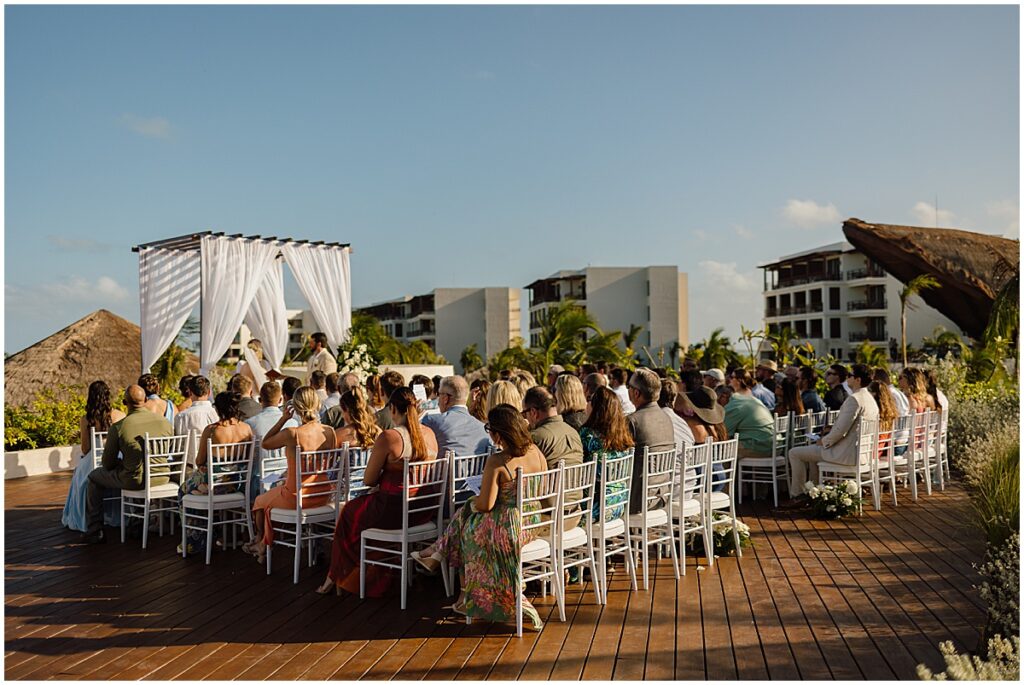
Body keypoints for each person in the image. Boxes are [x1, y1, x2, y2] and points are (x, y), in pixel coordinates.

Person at [409, 404, 547, 630]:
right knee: (467, 521)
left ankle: (438, 557)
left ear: (499, 434)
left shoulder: (499, 461)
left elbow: (485, 505)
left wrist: (473, 501)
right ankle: (440, 563)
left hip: (509, 525)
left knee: (467, 527)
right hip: (532, 520)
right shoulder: (535, 451)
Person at [317, 387, 439, 596]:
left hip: (392, 510)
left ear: (392, 408)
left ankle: (338, 577)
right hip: (423, 510)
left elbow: (369, 479)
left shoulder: (390, 437)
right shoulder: (429, 433)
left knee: (347, 516)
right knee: (358, 517)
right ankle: (372, 573)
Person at [245, 387, 337, 562]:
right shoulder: (329, 432)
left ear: (294, 406)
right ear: (317, 404)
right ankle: (263, 544)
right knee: (272, 498)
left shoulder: (292, 433)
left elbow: (266, 443)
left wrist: (283, 419)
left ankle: (261, 542)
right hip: (323, 494)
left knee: (259, 502)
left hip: (296, 497)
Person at [82, 385, 174, 543]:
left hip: (135, 480)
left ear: (125, 402)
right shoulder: (165, 422)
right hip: (162, 476)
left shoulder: (119, 427)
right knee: (133, 467)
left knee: (93, 478)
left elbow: (107, 463)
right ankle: (136, 522)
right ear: (145, 400)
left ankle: (94, 530)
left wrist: (122, 462)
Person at [782, 364, 880, 506]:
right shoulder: (870, 399)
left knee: (794, 453)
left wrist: (824, 440)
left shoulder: (855, 399)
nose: (847, 378)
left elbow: (841, 431)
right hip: (860, 453)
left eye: (850, 376)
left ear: (857, 379)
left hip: (845, 454)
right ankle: (812, 492)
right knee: (811, 454)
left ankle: (797, 495)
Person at [178, 392, 254, 555]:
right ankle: (215, 534)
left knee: (183, 490)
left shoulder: (212, 430)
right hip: (235, 484)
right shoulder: (247, 429)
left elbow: (199, 461)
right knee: (196, 488)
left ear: (218, 409)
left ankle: (195, 542)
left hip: (212, 485)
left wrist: (205, 467)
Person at [62, 381, 127, 532]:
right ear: (108, 396)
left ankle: (89, 518)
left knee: (79, 476)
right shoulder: (120, 415)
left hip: (94, 461)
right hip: (116, 460)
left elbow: (85, 449)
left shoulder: (86, 419)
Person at [580, 387, 635, 522]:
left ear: (595, 407)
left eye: (589, 400)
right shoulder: (623, 436)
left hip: (595, 509)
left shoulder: (588, 435)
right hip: (618, 505)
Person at [625, 368, 675, 513]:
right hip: (662, 495)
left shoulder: (632, 421)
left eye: (629, 387)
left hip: (637, 500)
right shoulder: (666, 418)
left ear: (636, 393)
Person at [245, 381, 297, 501]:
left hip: (260, 480)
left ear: (259, 400)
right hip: (286, 477)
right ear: (281, 400)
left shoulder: (250, 424)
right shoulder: (293, 423)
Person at [420, 376, 490, 458]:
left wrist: (415, 417)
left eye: (439, 394)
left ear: (445, 398)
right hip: (475, 471)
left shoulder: (431, 421)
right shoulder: (483, 429)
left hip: (442, 470)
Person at [523, 386, 584, 470]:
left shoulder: (535, 437)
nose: (525, 417)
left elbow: (522, 468)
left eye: (524, 413)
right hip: (580, 482)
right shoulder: (573, 432)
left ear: (533, 412)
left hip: (550, 482)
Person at [725, 368, 776, 458]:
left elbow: (725, 433)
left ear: (739, 381)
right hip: (774, 445)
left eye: (732, 377)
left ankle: (723, 473)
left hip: (761, 447)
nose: (729, 380)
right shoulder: (754, 400)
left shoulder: (737, 402)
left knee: (723, 450)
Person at [174, 375, 221, 464]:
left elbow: (177, 446)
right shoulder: (216, 414)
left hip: (187, 466)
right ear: (209, 392)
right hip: (213, 465)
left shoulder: (181, 416)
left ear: (190, 392)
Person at [657, 379, 695, 457]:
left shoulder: (655, 420)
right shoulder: (683, 423)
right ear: (674, 399)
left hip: (669, 467)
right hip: (689, 467)